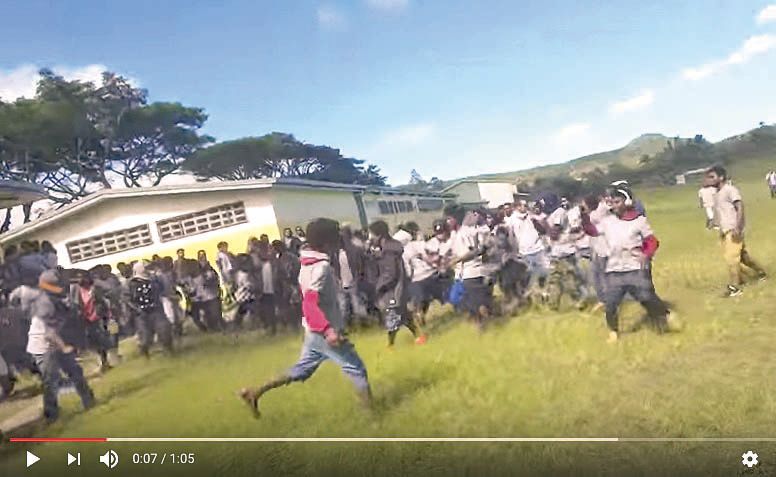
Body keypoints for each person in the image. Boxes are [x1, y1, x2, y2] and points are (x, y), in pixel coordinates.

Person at [238, 218, 371, 416]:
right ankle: (373, 417)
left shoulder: (306, 263)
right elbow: (310, 303)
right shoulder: (321, 268)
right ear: (327, 243)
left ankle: (255, 392)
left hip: (312, 331)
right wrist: (328, 331)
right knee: (357, 370)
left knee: (300, 371)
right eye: (337, 239)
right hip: (323, 332)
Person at [581, 188, 670, 343]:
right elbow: (592, 231)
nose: (613, 205)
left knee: (646, 298)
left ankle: (665, 317)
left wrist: (646, 254)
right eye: (612, 202)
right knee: (611, 304)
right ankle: (614, 332)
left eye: (617, 202)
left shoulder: (639, 221)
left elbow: (652, 241)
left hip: (634, 268)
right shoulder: (607, 221)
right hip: (614, 269)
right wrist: (584, 217)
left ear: (627, 202)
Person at [10, 269, 95, 423]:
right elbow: (49, 334)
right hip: (43, 346)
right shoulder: (45, 303)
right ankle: (51, 415)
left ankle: (89, 401)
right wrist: (64, 347)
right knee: (51, 380)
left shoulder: (53, 298)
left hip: (56, 340)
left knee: (75, 372)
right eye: (59, 284)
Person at [706, 166, 767, 297]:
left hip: (733, 229)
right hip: (724, 231)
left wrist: (738, 227)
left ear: (721, 177)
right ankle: (761, 273)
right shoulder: (716, 193)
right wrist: (714, 223)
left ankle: (735, 287)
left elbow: (739, 207)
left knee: (731, 259)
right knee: (744, 258)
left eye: (712, 177)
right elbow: (721, 211)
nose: (709, 180)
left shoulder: (730, 190)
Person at [368, 220, 423, 346]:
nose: (370, 238)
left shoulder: (389, 251)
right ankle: (419, 337)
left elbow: (390, 274)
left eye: (372, 235)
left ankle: (390, 345)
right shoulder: (388, 248)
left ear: (379, 235)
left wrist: (378, 287)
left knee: (393, 317)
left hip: (393, 289)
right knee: (404, 315)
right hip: (397, 287)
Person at [451, 210, 493, 331]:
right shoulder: (480, 231)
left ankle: (485, 328)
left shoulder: (461, 235)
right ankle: (484, 325)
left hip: (469, 274)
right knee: (478, 302)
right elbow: (483, 250)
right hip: (481, 270)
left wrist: (456, 260)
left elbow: (469, 253)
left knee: (476, 306)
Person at [545, 195, 586, 311]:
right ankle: (554, 305)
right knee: (555, 280)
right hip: (558, 252)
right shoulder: (556, 213)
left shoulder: (559, 212)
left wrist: (544, 226)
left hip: (565, 253)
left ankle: (578, 302)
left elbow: (554, 233)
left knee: (570, 280)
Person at [70, 270, 113, 372]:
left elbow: (103, 301)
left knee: (101, 340)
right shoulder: (76, 291)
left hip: (97, 318)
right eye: (78, 278)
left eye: (82, 277)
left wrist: (107, 314)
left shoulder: (95, 289)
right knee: (92, 342)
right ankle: (101, 361)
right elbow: (74, 304)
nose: (80, 280)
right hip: (85, 319)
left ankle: (104, 361)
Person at [129, 261, 173, 356]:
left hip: (156, 310)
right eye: (145, 268)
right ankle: (145, 353)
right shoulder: (131, 284)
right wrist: (136, 309)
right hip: (141, 314)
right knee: (145, 337)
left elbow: (164, 290)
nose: (148, 270)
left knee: (164, 330)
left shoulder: (155, 279)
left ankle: (169, 351)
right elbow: (127, 299)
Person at [191, 251, 225, 331]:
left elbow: (216, 279)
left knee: (216, 313)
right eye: (201, 256)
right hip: (204, 296)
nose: (202, 258)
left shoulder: (209, 268)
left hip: (212, 294)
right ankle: (213, 328)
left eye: (203, 256)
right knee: (209, 314)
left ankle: (219, 327)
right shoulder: (196, 270)